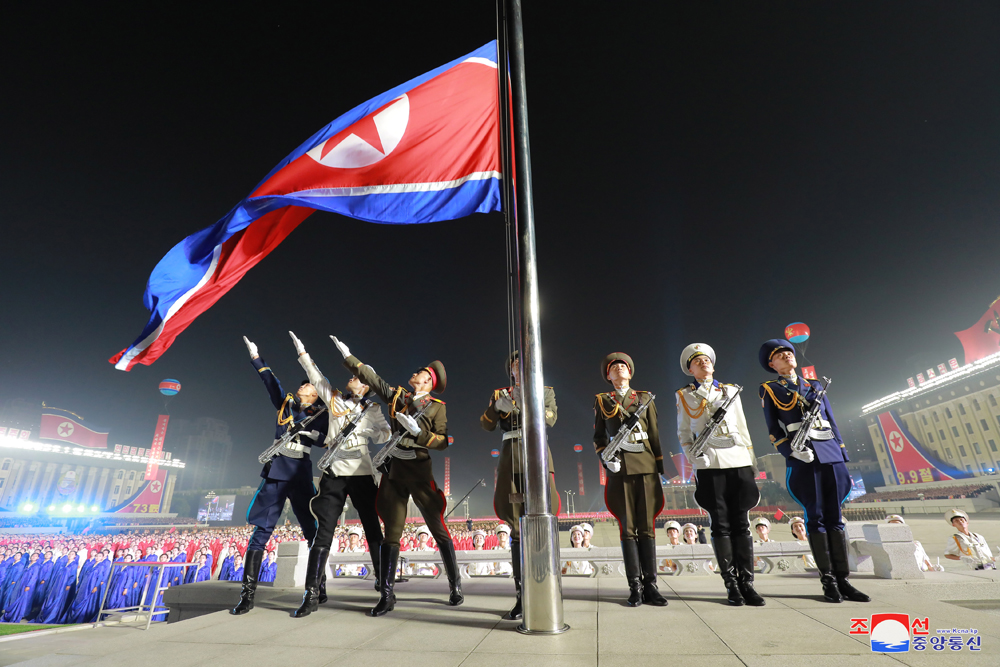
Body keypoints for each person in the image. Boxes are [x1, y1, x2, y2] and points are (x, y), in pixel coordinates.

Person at [333, 335, 461, 615]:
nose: (415, 373)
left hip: (419, 471)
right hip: (394, 471)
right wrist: (349, 358)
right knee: (392, 532)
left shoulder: (437, 407)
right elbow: (374, 379)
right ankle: (387, 594)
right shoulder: (399, 397)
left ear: (428, 382)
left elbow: (442, 441)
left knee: (438, 527)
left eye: (420, 373)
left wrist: (419, 433)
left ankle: (455, 585)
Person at [758, 339, 869, 604]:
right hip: (803, 454)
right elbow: (773, 428)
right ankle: (828, 581)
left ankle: (843, 580)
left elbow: (831, 420)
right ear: (772, 364)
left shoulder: (815, 386)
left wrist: (842, 453)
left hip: (830, 453)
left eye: (789, 352)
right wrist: (790, 451)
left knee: (836, 517)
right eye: (780, 355)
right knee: (816, 518)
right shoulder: (770, 389)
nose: (787, 356)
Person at [289, 331, 390, 618]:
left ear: (366, 386)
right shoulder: (333, 398)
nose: (352, 378)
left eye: (357, 377)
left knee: (373, 530)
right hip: (334, 472)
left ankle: (385, 590)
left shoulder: (373, 409)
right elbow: (317, 377)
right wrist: (303, 353)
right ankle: (311, 594)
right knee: (323, 532)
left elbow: (385, 435)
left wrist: (370, 430)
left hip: (362, 472)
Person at [233, 336, 326, 615]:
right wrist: (256, 358)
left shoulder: (322, 413)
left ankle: (317, 588)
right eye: (302, 383)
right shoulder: (286, 404)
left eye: (308, 385)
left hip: (299, 473)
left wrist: (309, 432)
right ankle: (247, 595)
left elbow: (325, 440)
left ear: (316, 394)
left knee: (312, 530)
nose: (302, 386)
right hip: (276, 471)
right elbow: (270, 382)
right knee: (262, 531)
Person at [676, 343, 764, 607]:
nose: (703, 363)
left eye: (706, 360)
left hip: (737, 460)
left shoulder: (731, 391)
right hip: (709, 464)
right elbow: (684, 433)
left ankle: (748, 583)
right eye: (697, 361)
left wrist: (752, 461)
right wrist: (693, 457)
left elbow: (743, 428)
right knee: (720, 525)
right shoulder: (684, 395)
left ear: (713, 365)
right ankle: (731, 584)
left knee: (742, 523)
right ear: (690, 370)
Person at [481, 350, 559, 620]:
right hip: (511, 458)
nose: (519, 366)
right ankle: (521, 595)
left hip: (537, 454)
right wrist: (496, 408)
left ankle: (545, 589)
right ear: (511, 370)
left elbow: (550, 418)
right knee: (516, 527)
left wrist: (526, 401)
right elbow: (486, 425)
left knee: (542, 520)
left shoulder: (545, 391)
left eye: (523, 362)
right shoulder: (499, 394)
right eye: (515, 363)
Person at [594, 352, 667, 607]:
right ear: (608, 376)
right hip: (620, 467)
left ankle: (651, 586)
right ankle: (635, 586)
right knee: (627, 528)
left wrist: (659, 466)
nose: (618, 369)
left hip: (645, 464)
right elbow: (599, 437)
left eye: (622, 366)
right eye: (613, 368)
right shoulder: (603, 400)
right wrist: (606, 459)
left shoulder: (645, 398)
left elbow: (654, 433)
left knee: (646, 527)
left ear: (630, 372)